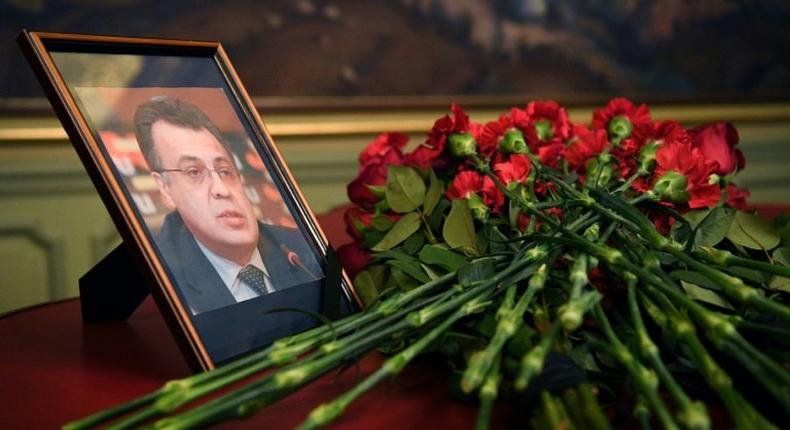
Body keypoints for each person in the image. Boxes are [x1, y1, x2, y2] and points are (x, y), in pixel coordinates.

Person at [134, 96, 319, 315]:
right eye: (194, 172)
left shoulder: (304, 249)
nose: (221, 189)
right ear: (165, 188)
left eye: (225, 171)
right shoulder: (165, 275)